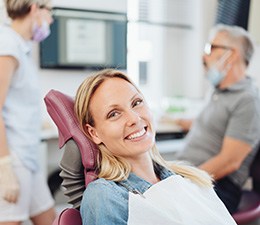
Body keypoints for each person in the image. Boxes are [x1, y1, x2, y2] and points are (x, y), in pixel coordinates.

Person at [74, 69, 237, 225]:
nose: (134, 118)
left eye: (136, 103)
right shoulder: (105, 196)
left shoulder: (190, 179)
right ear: (94, 133)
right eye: (114, 114)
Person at [174, 24, 260, 214]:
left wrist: (182, 181)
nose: (204, 56)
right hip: (193, 175)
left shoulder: (248, 100)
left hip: (218, 185)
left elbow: (229, 162)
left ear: (232, 55)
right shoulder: (218, 91)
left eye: (211, 48)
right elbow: (212, 126)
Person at [0, 1, 56, 224]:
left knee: (50, 219)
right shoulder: (7, 46)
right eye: (49, 12)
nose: (51, 20)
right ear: (34, 7)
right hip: (13, 158)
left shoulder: (20, 47)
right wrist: (4, 166)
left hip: (28, 157)